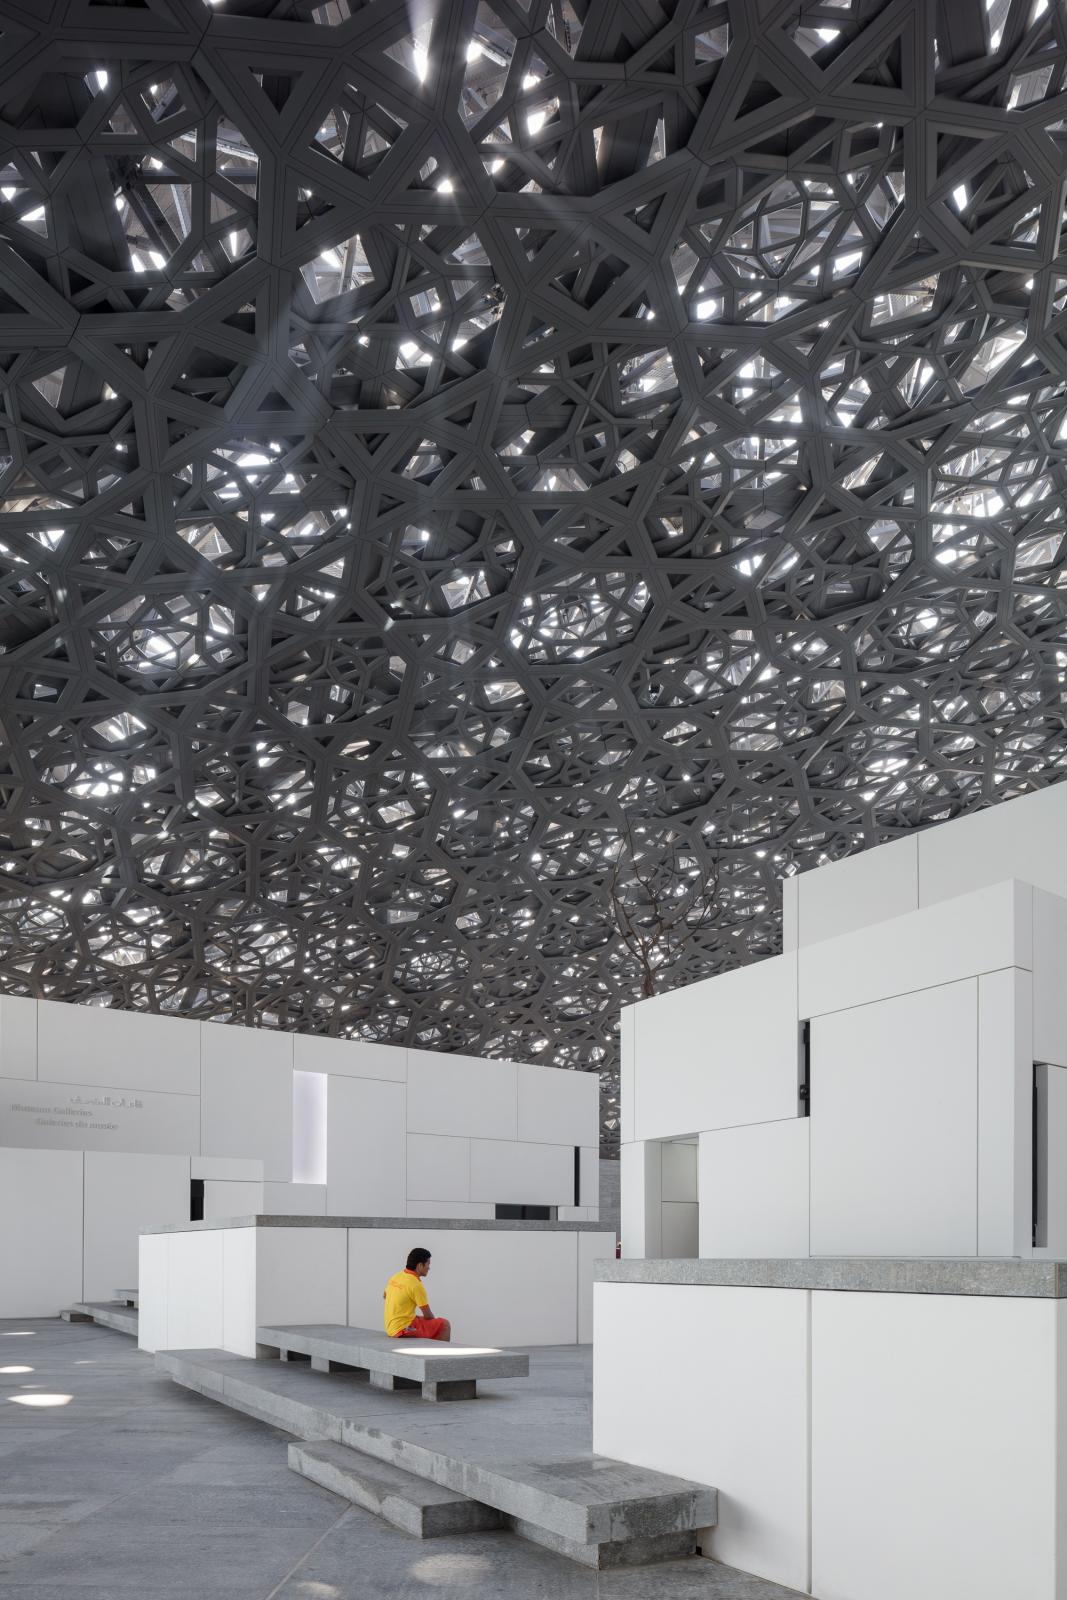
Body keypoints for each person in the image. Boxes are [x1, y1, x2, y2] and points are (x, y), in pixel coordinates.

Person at [383, 1247, 451, 1341]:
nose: (429, 1268)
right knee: (444, 1324)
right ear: (420, 1265)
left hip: (390, 1327)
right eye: (428, 1264)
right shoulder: (416, 1285)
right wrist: (434, 1322)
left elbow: (385, 1296)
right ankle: (441, 1353)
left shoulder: (397, 1276)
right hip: (402, 1329)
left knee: (419, 1319)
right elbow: (428, 1316)